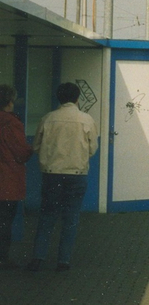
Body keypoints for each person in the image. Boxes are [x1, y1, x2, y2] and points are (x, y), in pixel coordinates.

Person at [26, 82, 98, 272]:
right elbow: (92, 149)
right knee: (71, 217)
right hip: (77, 174)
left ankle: (38, 258)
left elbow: (35, 146)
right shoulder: (86, 119)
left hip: (52, 174)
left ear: (58, 98)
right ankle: (63, 261)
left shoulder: (48, 118)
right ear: (77, 98)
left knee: (47, 216)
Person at [0, 85, 33, 269]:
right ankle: (2, 258)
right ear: (9, 101)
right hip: (7, 181)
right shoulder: (12, 123)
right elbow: (20, 152)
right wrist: (32, 148)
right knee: (4, 221)